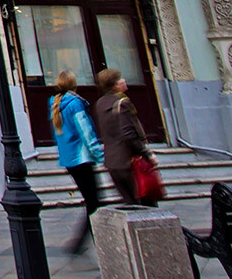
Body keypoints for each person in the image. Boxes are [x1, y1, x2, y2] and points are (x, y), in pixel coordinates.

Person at [51, 70, 103, 254]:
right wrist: (98, 153)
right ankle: (96, 242)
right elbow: (85, 130)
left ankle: (83, 242)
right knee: (94, 202)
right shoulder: (75, 104)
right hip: (81, 157)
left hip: (68, 159)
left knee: (92, 200)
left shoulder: (56, 104)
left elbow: (58, 135)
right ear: (74, 83)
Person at [93, 67, 158, 207]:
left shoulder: (100, 103)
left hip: (112, 161)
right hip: (129, 161)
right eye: (120, 79)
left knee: (131, 203)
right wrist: (146, 153)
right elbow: (128, 134)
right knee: (145, 205)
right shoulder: (122, 103)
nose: (124, 80)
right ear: (115, 84)